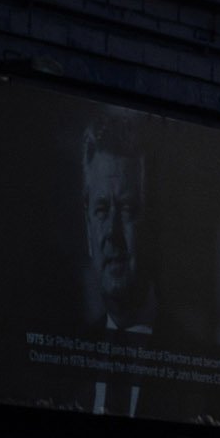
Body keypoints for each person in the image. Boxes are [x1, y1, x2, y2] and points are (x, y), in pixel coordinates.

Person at [79, 116, 155, 331]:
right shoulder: (82, 340)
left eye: (126, 210)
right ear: (88, 229)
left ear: (150, 223)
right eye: (102, 210)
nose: (113, 231)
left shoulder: (189, 342)